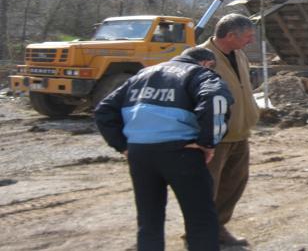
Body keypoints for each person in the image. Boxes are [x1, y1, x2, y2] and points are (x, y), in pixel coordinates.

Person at [95, 47, 234, 251]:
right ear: (206, 63)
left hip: (140, 154)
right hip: (182, 152)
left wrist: (123, 146)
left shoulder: (143, 74)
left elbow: (104, 110)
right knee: (200, 218)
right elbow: (217, 99)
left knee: (148, 219)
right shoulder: (199, 74)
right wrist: (207, 142)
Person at [198, 13, 259, 246]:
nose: (251, 41)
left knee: (234, 183)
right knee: (207, 187)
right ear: (231, 35)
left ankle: (217, 226)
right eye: (248, 36)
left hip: (240, 133)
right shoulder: (200, 57)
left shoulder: (239, 54)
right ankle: (200, 230)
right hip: (213, 137)